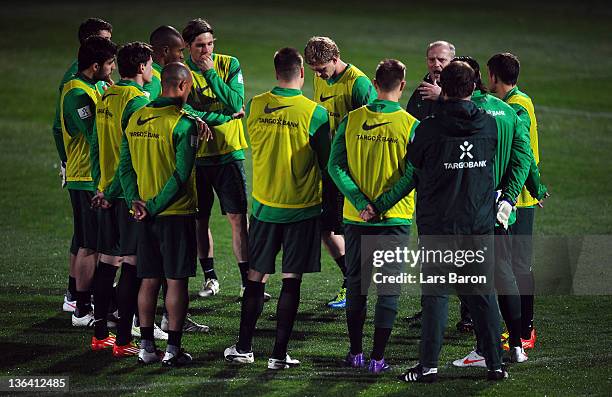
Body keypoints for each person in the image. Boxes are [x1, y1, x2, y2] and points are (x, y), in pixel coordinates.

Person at [368, 61, 507, 382]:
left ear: (443, 87)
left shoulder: (429, 128)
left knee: (436, 296)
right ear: (473, 88)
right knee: (482, 293)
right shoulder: (488, 126)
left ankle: (428, 365)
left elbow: (413, 165)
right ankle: (496, 364)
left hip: (440, 225)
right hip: (477, 223)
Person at [224, 47, 330, 369]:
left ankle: (244, 347)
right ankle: (279, 355)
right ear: (301, 72)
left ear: (275, 73)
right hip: (302, 209)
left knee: (256, 279)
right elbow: (327, 165)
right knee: (291, 281)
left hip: (265, 208)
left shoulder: (255, 106)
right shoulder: (315, 114)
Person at [444, 57, 547, 368]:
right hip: (501, 212)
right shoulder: (508, 112)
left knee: (475, 281)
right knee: (505, 277)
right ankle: (516, 345)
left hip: (470, 214)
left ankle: (483, 348)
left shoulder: (463, 114)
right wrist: (513, 197)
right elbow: (523, 158)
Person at [328, 59, 418, 373]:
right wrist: (380, 205)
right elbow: (412, 175)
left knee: (357, 285)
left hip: (356, 219)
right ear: (402, 85)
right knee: (388, 288)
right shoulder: (411, 125)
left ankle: (355, 353)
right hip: (393, 220)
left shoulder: (352, 120)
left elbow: (335, 166)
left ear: (375, 84)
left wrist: (360, 201)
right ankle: (378, 358)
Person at [119, 62, 201, 367]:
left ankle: (146, 348)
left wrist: (135, 203)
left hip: (143, 216)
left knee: (149, 280)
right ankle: (173, 350)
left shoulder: (137, 117)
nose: (189, 93)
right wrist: (152, 206)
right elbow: (181, 175)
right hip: (174, 214)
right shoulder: (183, 124)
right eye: (189, 87)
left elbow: (124, 167)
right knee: (176, 281)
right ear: (180, 86)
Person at [89, 42, 154, 357]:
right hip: (128, 195)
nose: (153, 70)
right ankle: (125, 341)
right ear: (142, 67)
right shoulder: (137, 101)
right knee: (131, 266)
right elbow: (131, 155)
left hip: (105, 193)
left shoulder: (106, 96)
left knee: (106, 263)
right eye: (151, 64)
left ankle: (101, 335)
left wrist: (98, 187)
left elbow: (94, 144)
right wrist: (116, 191)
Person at [181, 18, 253, 299]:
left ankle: (247, 281)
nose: (206, 50)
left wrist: (211, 74)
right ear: (188, 46)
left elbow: (237, 102)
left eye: (210, 44)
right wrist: (222, 117)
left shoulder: (228, 64)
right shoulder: (181, 71)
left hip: (229, 154)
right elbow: (185, 111)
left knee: (238, 218)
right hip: (197, 156)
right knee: (200, 220)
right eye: (200, 46)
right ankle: (210, 279)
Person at [304, 36, 377, 309]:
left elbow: (373, 125)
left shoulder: (358, 84)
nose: (319, 74)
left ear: (335, 58)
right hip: (329, 167)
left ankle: (355, 285)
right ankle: (353, 279)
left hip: (352, 171)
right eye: (314, 71)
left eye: (322, 68)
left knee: (351, 230)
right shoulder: (320, 78)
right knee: (327, 230)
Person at [52, 17, 112, 313]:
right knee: (90, 245)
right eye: (110, 63)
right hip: (85, 176)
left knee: (90, 242)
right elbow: (95, 135)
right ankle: (81, 307)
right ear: (96, 65)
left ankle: (79, 298)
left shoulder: (92, 85)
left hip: (91, 176)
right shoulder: (77, 92)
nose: (113, 68)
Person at [488, 52, 544, 349]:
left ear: (494, 76)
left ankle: (526, 330)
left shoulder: (516, 106)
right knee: (509, 265)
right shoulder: (514, 102)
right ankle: (517, 328)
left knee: (519, 266)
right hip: (513, 197)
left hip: (518, 199)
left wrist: (535, 188)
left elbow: (523, 154)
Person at [405, 40, 455, 121]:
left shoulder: (462, 86)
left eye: (441, 60)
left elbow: (466, 115)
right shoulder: (422, 90)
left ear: (452, 62)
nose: (436, 64)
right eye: (431, 60)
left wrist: (441, 96)